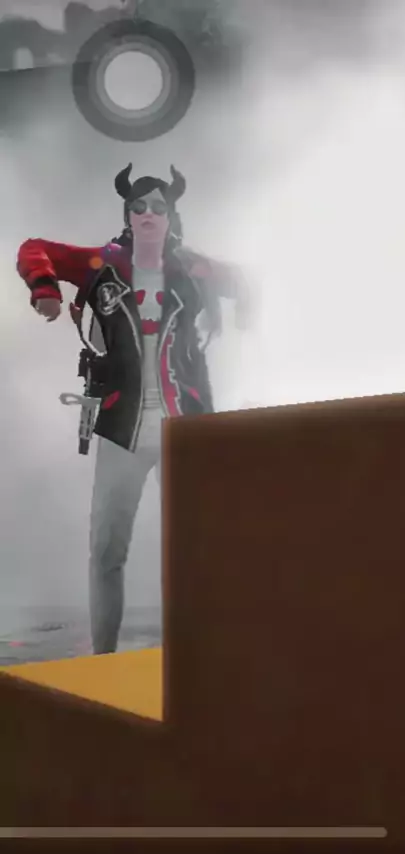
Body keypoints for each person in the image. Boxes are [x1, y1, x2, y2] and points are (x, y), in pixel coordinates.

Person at [16, 163, 249, 655]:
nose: (148, 213)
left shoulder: (191, 266)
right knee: (106, 550)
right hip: (121, 427)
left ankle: (201, 657)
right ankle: (103, 658)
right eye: (138, 206)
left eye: (158, 207)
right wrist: (45, 289)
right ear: (128, 214)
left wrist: (247, 306)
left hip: (184, 429)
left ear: (170, 216)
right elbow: (35, 249)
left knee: (196, 545)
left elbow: (242, 277)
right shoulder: (101, 263)